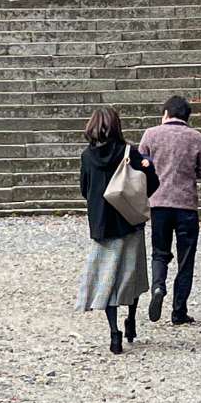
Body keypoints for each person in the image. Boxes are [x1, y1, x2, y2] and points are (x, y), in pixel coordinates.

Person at [76, 106, 158, 354]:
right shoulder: (129, 152)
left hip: (102, 226)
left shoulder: (87, 157)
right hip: (129, 221)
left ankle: (114, 332)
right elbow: (151, 181)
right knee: (131, 275)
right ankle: (131, 321)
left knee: (107, 280)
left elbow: (84, 189)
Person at [136, 94, 201, 325]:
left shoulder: (151, 134)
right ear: (187, 117)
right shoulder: (196, 138)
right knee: (185, 259)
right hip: (186, 205)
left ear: (166, 114)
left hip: (158, 204)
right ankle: (179, 311)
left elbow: (139, 165)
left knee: (159, 253)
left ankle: (158, 287)